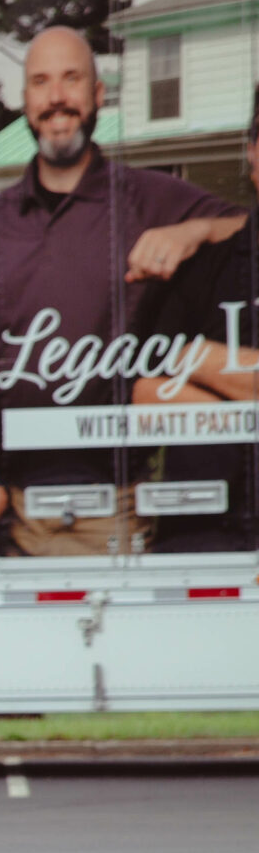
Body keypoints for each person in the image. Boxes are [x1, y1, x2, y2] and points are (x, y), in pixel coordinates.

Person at [0, 26, 245, 556]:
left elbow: (246, 225)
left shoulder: (150, 200)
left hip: (115, 503)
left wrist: (191, 231)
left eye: (72, 78)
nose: (57, 97)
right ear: (26, 101)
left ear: (99, 94)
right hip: (10, 504)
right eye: (41, 82)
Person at [130, 95, 259, 556]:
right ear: (253, 154)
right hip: (200, 533)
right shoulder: (203, 267)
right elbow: (145, 392)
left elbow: (175, 362)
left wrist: (200, 359)